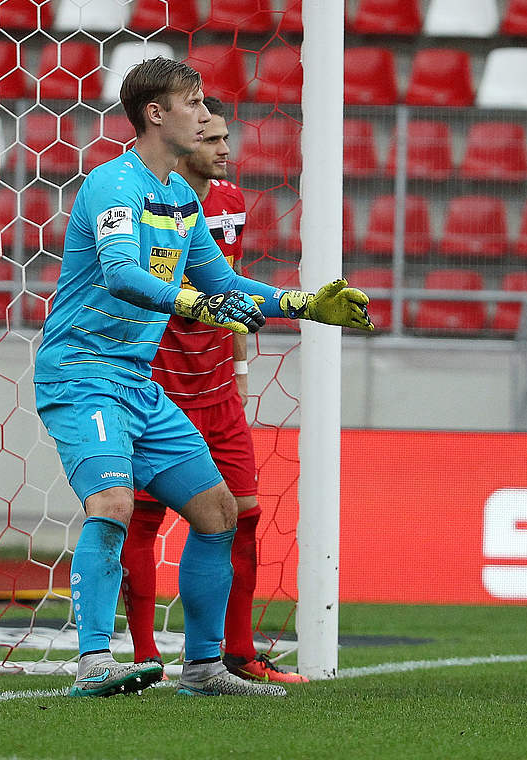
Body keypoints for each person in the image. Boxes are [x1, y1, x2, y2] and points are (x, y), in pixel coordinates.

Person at [34, 57, 373, 698]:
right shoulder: (114, 186)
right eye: (193, 103)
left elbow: (224, 285)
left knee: (217, 511)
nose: (203, 113)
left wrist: (303, 305)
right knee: (110, 505)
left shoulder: (181, 198)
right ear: (156, 114)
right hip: (81, 375)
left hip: (136, 381)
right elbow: (121, 275)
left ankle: (205, 668)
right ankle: (93, 662)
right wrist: (191, 304)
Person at [119, 96, 308, 686]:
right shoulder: (139, 200)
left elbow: (228, 287)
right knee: (143, 520)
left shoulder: (229, 202)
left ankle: (237, 651)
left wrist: (242, 369)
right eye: (213, 138)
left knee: (243, 517)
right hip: (158, 383)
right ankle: (145, 654)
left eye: (226, 137)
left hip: (218, 389)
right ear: (180, 140)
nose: (226, 149)